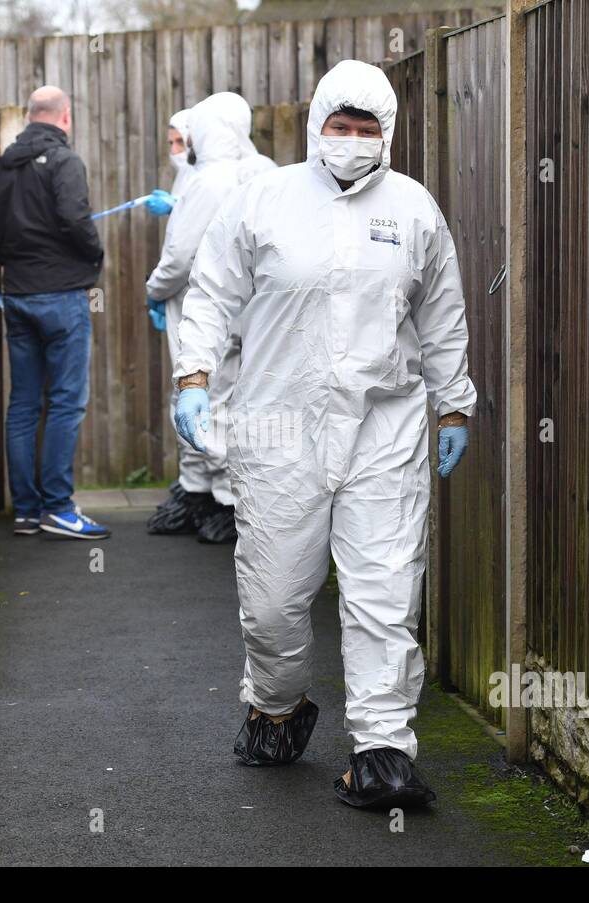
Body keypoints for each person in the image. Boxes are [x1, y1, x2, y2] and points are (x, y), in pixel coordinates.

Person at [173, 61, 476, 810]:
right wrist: (193, 377)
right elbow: (210, 289)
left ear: (388, 133)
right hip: (279, 430)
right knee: (275, 599)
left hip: (384, 430)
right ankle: (277, 705)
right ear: (315, 127)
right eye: (338, 126)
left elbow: (442, 316)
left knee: (383, 593)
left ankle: (382, 749)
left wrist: (455, 405)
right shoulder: (265, 200)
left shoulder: (413, 210)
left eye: (365, 128)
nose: (350, 141)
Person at [0, 84, 110, 541]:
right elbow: (76, 219)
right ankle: (57, 506)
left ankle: (27, 512)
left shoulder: (5, 166)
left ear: (31, 116)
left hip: (17, 298)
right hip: (61, 298)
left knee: (22, 405)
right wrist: (94, 257)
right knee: (65, 403)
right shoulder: (64, 161)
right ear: (65, 117)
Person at [145, 92, 268, 544]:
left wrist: (154, 290)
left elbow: (179, 255)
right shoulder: (259, 171)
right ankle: (201, 491)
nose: (183, 145)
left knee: (205, 397)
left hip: (202, 303)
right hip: (244, 308)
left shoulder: (212, 180)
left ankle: (222, 499)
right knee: (219, 399)